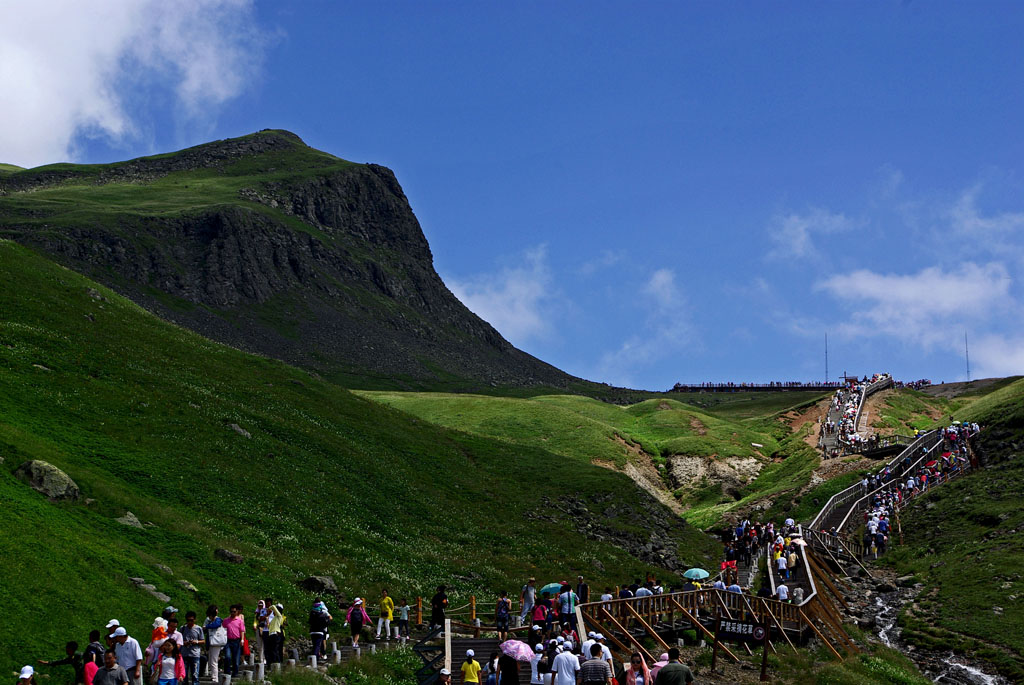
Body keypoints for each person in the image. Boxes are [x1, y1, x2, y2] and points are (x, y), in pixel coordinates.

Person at [179, 612, 204, 685]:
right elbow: (179, 641)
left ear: (195, 620)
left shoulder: (198, 628)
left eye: (191, 620)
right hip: (185, 654)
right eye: (188, 620)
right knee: (184, 676)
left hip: (195, 654)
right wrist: (185, 643)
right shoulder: (182, 628)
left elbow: (203, 640)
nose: (190, 622)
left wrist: (196, 642)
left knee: (195, 675)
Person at [222, 604, 246, 678]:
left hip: (236, 641)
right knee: (228, 657)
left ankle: (235, 673)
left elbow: (242, 630)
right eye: (231, 611)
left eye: (234, 612)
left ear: (237, 612)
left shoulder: (240, 621)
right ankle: (227, 672)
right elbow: (222, 630)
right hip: (228, 641)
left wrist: (242, 639)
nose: (233, 613)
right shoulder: (226, 620)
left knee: (236, 659)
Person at [203, 606, 225, 683]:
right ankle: (213, 676)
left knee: (214, 661)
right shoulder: (208, 620)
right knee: (211, 660)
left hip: (216, 643)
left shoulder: (217, 620)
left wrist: (207, 627)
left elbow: (216, 625)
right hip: (211, 643)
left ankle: (215, 678)